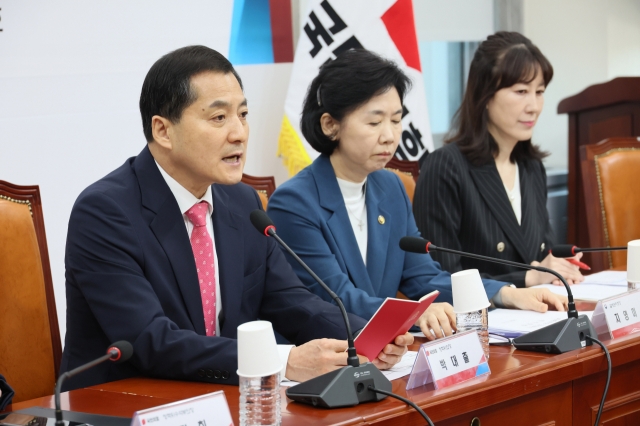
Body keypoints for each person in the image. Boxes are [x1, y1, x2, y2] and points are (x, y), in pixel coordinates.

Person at [61, 45, 413, 391]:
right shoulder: (105, 211)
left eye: (243, 115)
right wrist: (284, 361)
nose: (239, 133)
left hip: (221, 399)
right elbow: (150, 340)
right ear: (162, 130)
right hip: (123, 404)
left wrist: (365, 336)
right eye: (219, 118)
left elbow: (293, 302)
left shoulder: (242, 203)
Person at [267, 49, 568, 341]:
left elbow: (424, 276)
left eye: (396, 120)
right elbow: (335, 296)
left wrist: (507, 294)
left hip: (389, 352)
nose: (389, 135)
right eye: (374, 122)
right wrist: (412, 314)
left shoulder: (391, 187)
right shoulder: (295, 202)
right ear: (330, 125)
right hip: (327, 357)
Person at [414, 32, 584, 288]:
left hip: (539, 314)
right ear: (485, 96)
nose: (534, 106)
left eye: (539, 92)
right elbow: (440, 278)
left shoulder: (531, 167)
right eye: (521, 91)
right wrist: (528, 277)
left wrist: (559, 267)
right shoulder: (446, 166)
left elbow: (540, 257)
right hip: (483, 323)